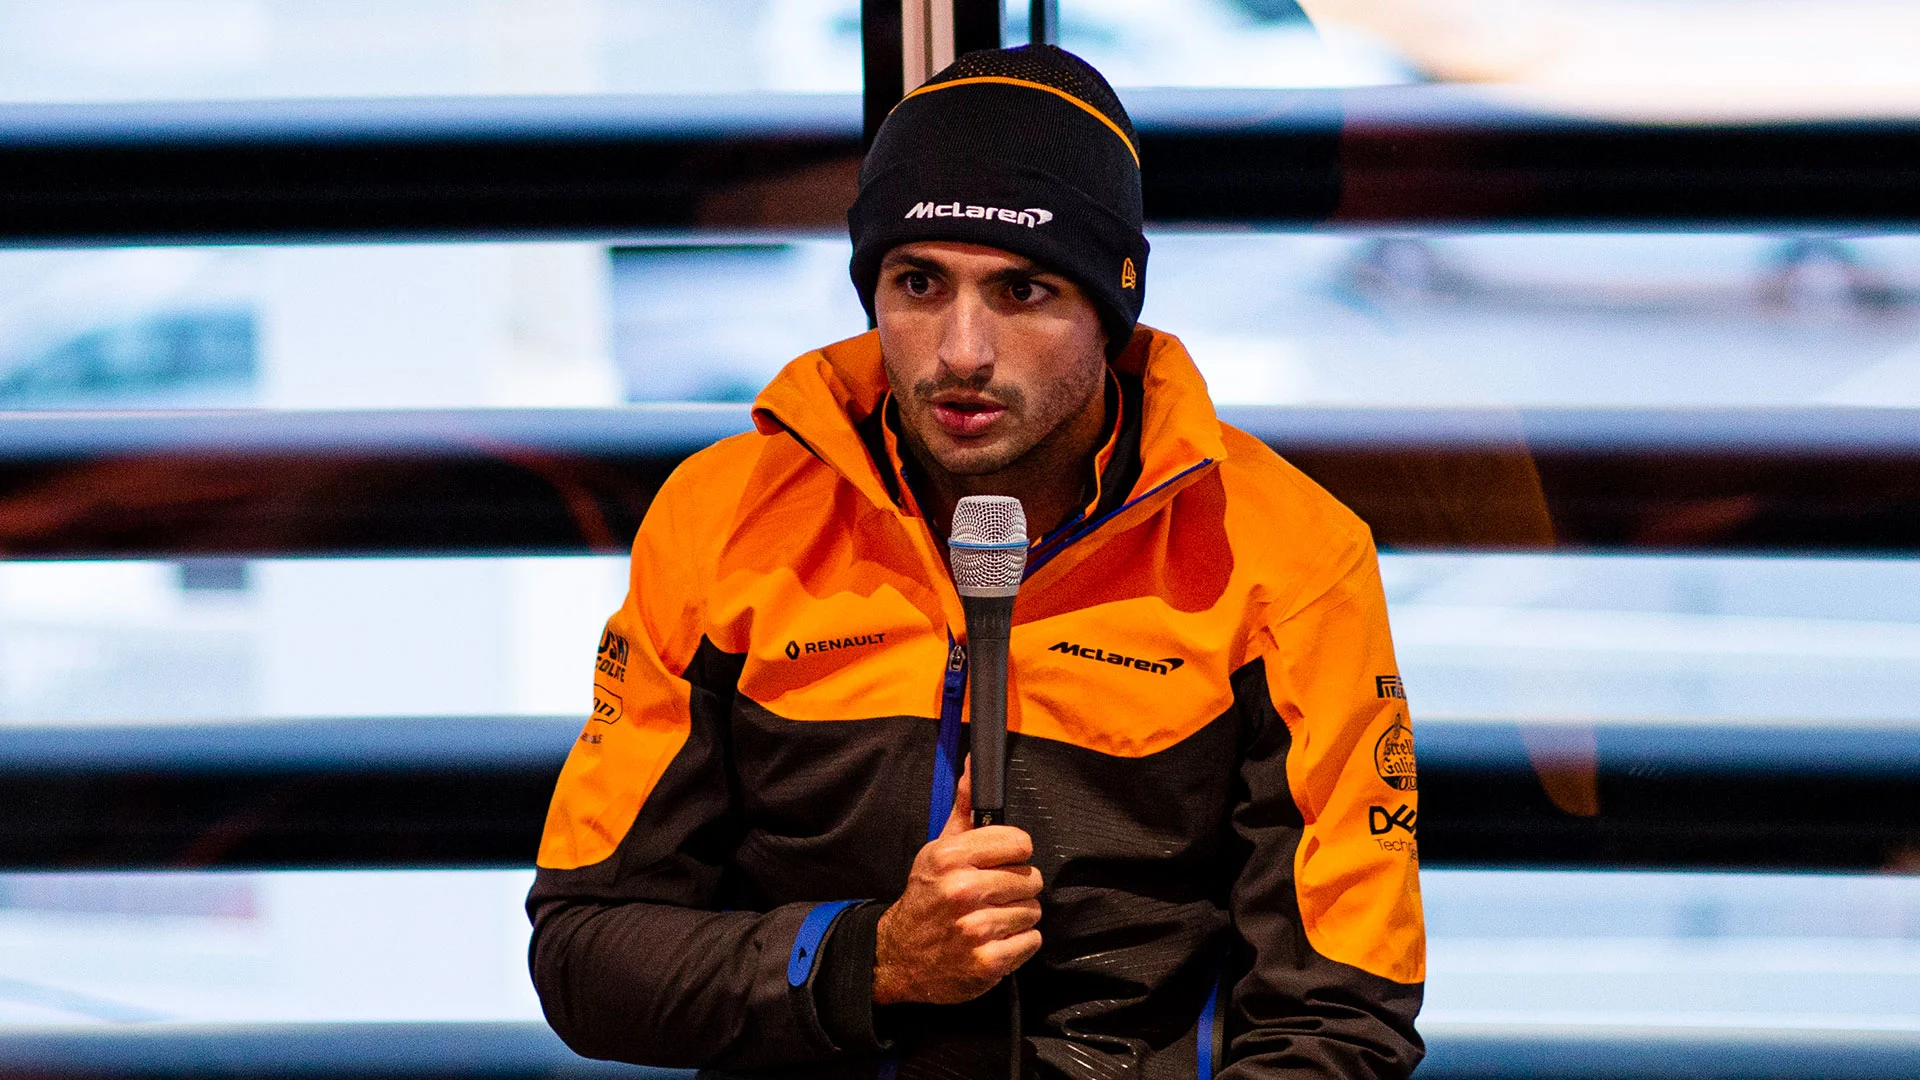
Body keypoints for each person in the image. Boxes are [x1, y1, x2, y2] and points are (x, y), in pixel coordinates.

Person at [528, 45, 1424, 1079]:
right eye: (919, 282)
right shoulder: (728, 516)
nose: (960, 350)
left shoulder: (1287, 555)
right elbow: (586, 953)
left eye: (1022, 290)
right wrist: (872, 961)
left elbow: (1338, 1021)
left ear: (1111, 305)